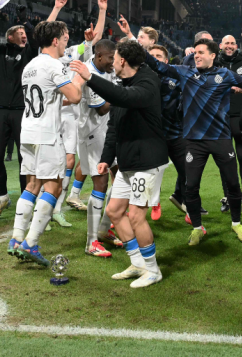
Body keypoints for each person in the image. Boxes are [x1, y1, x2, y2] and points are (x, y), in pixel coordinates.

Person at [72, 40, 169, 288]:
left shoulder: (148, 82)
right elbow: (113, 127)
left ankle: (153, 269)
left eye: (114, 59)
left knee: (136, 216)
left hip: (147, 161)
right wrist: (106, 159)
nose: (112, 64)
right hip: (127, 161)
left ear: (123, 60)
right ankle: (137, 263)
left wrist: (90, 77)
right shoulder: (124, 83)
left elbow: (125, 98)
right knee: (115, 212)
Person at [142, 38, 242, 246]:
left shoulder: (225, 75)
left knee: (233, 184)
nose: (197, 56)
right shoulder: (185, 72)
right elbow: (157, 65)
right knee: (190, 186)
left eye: (202, 52)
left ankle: (236, 223)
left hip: (221, 138)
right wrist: (136, 43)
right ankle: (197, 228)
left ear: (212, 55)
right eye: (196, 53)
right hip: (194, 141)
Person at [0, 0, 67, 219]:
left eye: (24, 32)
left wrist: (47, 12)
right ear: (9, 37)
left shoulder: (29, 55)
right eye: (18, 32)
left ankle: (25, 201)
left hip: (21, 114)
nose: (23, 35)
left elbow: (40, 34)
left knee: (23, 162)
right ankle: (4, 197)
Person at [8, 21, 84, 265]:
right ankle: (31, 244)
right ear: (55, 40)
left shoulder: (30, 65)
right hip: (47, 134)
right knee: (53, 187)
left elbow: (47, 99)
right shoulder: (53, 65)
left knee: (32, 184)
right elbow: (74, 96)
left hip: (28, 130)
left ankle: (16, 239)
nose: (66, 43)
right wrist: (80, 79)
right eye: (65, 38)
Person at [58, 0, 107, 217]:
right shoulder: (48, 58)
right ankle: (54, 203)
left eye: (68, 33)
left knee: (72, 160)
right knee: (57, 163)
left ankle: (62, 202)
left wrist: (102, 11)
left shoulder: (76, 52)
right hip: (54, 112)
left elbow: (94, 40)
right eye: (62, 34)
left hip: (73, 113)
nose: (66, 36)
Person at [75, 39, 123, 257]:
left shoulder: (107, 68)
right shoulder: (89, 73)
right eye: (111, 58)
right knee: (101, 183)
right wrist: (122, 94)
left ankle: (103, 230)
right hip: (92, 134)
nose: (113, 62)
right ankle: (91, 242)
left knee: (121, 179)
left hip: (108, 133)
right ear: (99, 56)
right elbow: (103, 108)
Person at [147, 44, 187, 219]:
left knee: (187, 170)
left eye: (159, 55)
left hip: (176, 132)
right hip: (153, 135)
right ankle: (155, 203)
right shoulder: (143, 78)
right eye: (152, 55)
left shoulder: (177, 77)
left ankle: (189, 204)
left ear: (165, 60)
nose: (155, 58)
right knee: (154, 174)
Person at [217, 34, 242, 214]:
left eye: (232, 43)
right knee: (226, 159)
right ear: (220, 45)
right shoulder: (215, 63)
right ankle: (228, 196)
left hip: (241, 117)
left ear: (236, 45)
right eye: (226, 43)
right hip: (221, 117)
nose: (229, 46)